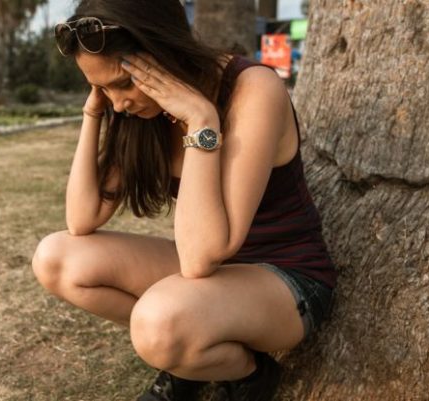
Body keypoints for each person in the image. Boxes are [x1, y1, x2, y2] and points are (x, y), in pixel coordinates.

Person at [31, 1, 337, 400]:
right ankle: (192, 357)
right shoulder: (137, 113)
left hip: (286, 278)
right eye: (101, 87)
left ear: (162, 53)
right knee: (55, 258)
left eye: (123, 84)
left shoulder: (253, 88)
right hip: (210, 276)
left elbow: (201, 257)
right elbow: (82, 219)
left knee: (157, 323)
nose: (119, 103)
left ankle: (248, 374)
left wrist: (202, 122)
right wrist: (94, 113)